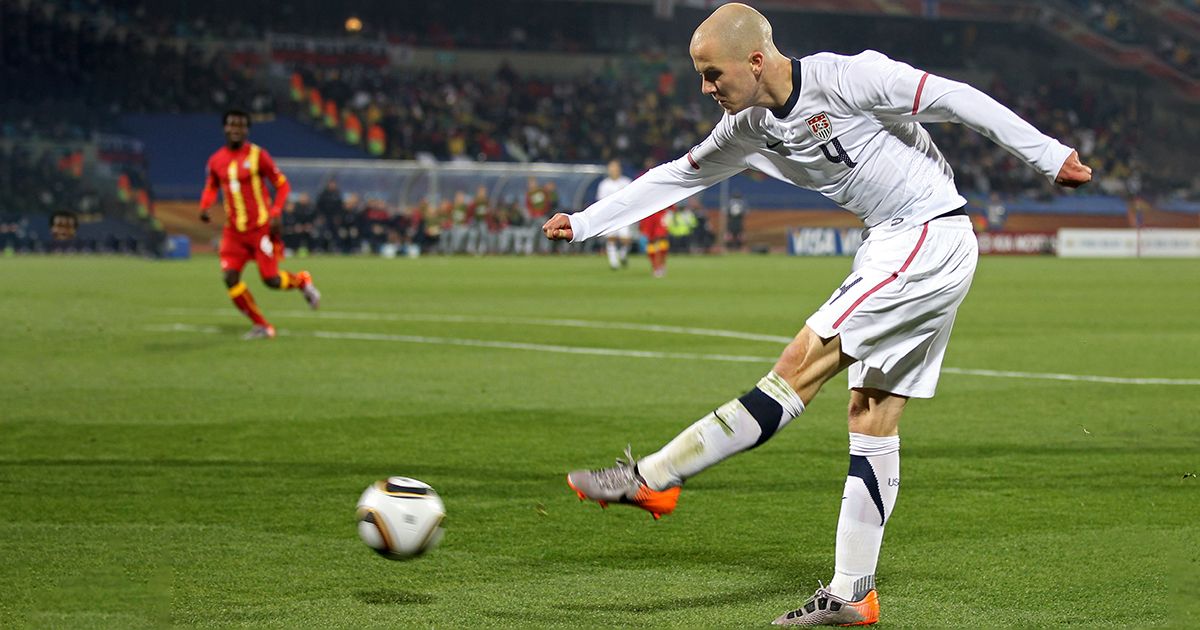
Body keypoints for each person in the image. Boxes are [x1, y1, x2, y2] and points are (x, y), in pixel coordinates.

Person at [541, 4, 1091, 626]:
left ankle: (654, 476)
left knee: (799, 365)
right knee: (872, 415)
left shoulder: (850, 79)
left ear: (755, 60)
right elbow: (678, 176)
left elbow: (955, 97)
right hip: (903, 241)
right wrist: (588, 222)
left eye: (712, 74)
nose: (706, 88)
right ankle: (853, 593)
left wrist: (1048, 155)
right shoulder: (747, 127)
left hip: (924, 233)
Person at [199, 109, 321, 340]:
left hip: (260, 229)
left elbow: (282, 185)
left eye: (241, 125)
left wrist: (275, 212)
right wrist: (205, 206)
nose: (236, 129)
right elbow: (212, 186)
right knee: (229, 278)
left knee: (271, 280)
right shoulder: (216, 160)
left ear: (247, 130)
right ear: (225, 128)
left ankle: (302, 281)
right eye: (232, 124)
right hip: (234, 232)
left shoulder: (258, 156)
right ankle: (262, 325)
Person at [597, 160, 633, 270]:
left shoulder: (626, 182)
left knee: (626, 240)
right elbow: (600, 201)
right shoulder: (604, 184)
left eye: (616, 168)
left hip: (624, 215)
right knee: (611, 239)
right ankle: (613, 262)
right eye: (612, 168)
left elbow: (632, 197)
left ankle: (622, 254)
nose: (614, 170)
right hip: (610, 216)